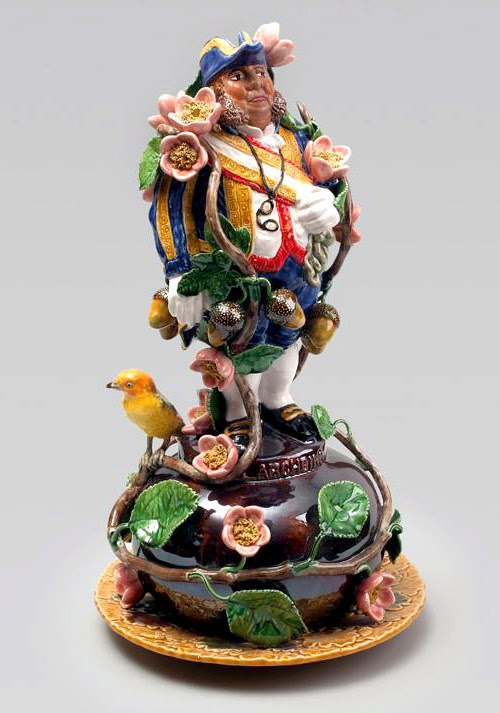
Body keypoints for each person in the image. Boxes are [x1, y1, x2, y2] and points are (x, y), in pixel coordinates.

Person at [147, 27, 354, 447]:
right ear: (215, 92)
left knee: (289, 333)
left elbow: (329, 187)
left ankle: (278, 399)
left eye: (260, 73)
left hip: (298, 264)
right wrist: (181, 274)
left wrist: (329, 206)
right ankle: (238, 414)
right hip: (236, 273)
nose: (256, 84)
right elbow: (172, 210)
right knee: (241, 338)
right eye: (239, 77)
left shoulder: (297, 139)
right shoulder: (200, 146)